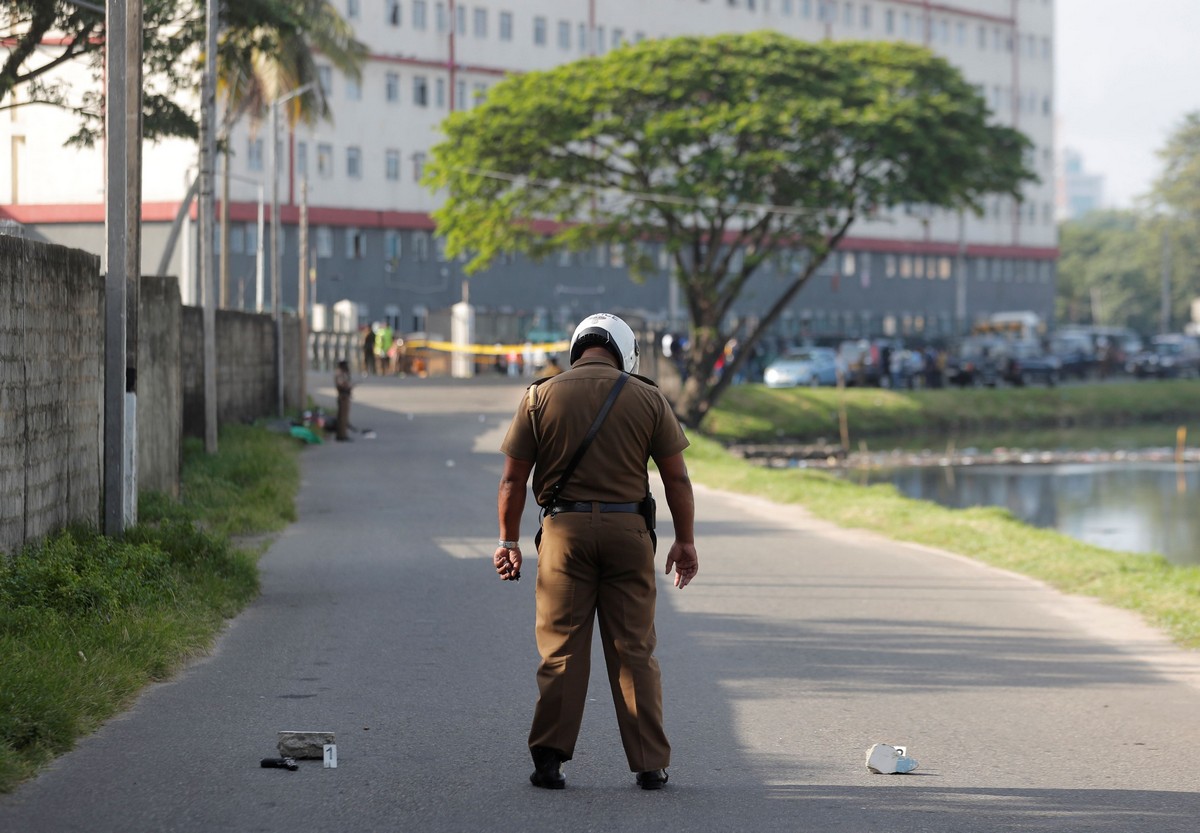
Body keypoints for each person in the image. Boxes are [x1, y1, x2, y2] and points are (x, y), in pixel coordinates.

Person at [494, 312, 699, 792]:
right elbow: (677, 478)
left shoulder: (540, 395)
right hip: (629, 535)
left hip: (563, 535)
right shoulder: (648, 397)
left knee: (561, 649)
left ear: (577, 348)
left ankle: (549, 761)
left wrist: (508, 541)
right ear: (623, 351)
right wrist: (684, 541)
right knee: (635, 651)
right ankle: (650, 764)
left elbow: (512, 479)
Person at [334, 359, 353, 441]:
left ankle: (342, 434)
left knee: (344, 417)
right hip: (343, 397)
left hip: (345, 396)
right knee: (342, 418)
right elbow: (341, 384)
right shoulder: (340, 373)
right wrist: (347, 386)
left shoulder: (342, 373)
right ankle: (342, 435)